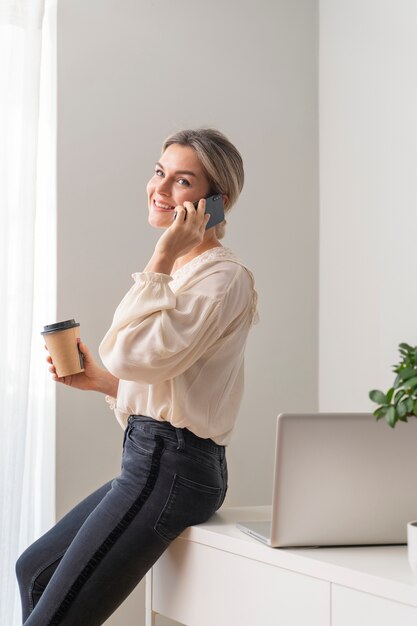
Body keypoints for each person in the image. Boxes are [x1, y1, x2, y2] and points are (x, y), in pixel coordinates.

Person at [15, 128, 258, 625]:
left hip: (172, 465)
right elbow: (164, 375)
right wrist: (105, 383)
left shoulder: (220, 277)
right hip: (155, 456)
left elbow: (129, 355)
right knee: (34, 571)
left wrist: (162, 256)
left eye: (182, 181)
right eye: (159, 172)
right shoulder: (189, 275)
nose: (161, 190)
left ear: (216, 203)